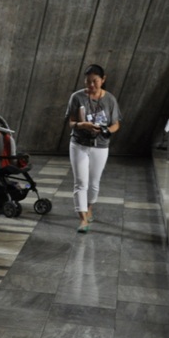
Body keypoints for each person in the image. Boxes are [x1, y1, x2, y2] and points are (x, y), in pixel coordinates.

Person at [67, 64, 121, 233]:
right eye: (88, 81)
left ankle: (89, 207)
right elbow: (71, 122)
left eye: (95, 81)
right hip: (79, 144)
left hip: (101, 146)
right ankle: (83, 219)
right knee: (80, 182)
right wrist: (82, 125)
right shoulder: (77, 97)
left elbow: (116, 124)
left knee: (94, 183)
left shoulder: (110, 99)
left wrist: (107, 130)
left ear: (103, 80)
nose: (91, 85)